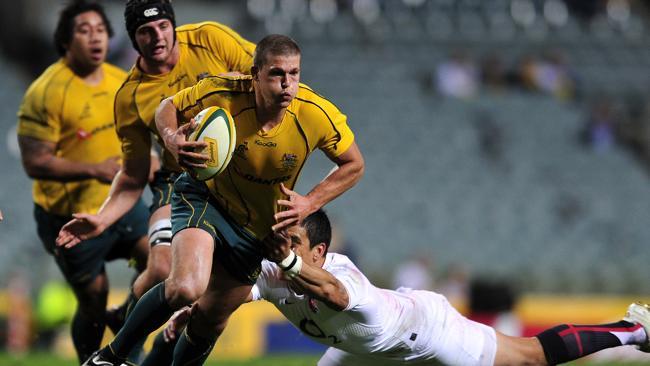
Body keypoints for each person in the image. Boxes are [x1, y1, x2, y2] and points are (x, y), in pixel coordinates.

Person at [82, 33, 365, 366]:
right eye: (276, 74)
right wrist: (172, 139)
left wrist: (309, 203)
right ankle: (109, 357)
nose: (287, 84)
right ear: (255, 73)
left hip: (256, 228)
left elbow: (354, 164)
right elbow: (166, 107)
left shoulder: (316, 114)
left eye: (294, 73)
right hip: (207, 199)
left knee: (209, 321)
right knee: (186, 288)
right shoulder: (223, 92)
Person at [161, 209, 650, 366]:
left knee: (528, 358)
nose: (277, 247)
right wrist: (195, 310)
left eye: (290, 241)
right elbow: (245, 292)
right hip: (354, 351)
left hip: (422, 331)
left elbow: (332, 294)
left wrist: (285, 259)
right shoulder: (275, 272)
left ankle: (633, 330)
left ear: (319, 251)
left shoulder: (341, 275)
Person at [56, 0, 256, 326]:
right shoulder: (130, 96)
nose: (157, 36)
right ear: (135, 40)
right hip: (178, 180)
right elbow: (133, 176)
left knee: (218, 288)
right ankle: (125, 330)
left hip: (236, 175)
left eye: (163, 26)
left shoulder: (210, 38)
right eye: (145, 31)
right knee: (162, 267)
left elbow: (266, 74)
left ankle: (139, 327)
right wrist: (102, 219)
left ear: (173, 26)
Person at [16, 1, 150, 362]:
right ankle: (93, 361)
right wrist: (93, 169)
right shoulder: (46, 92)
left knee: (163, 266)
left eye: (100, 30)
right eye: (84, 30)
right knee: (93, 302)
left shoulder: (120, 81)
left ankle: (126, 326)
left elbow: (137, 136)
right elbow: (34, 162)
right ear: (65, 40)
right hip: (69, 217)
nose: (95, 37)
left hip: (121, 205)